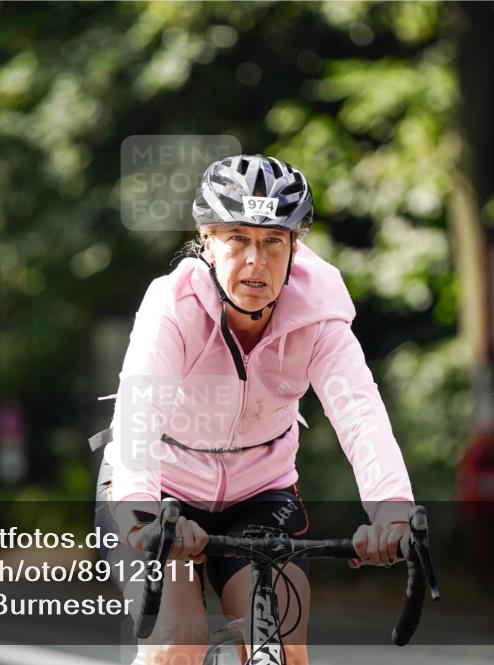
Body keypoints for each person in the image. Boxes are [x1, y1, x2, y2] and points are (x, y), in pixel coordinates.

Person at [93, 154, 416, 664]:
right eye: (237, 238)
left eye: (272, 242)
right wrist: (142, 511)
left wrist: (392, 512)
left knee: (284, 649)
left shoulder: (319, 315)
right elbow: (140, 411)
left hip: (260, 494)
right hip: (161, 490)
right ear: (207, 242)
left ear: (294, 249)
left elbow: (360, 414)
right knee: (177, 644)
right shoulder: (172, 305)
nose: (255, 261)